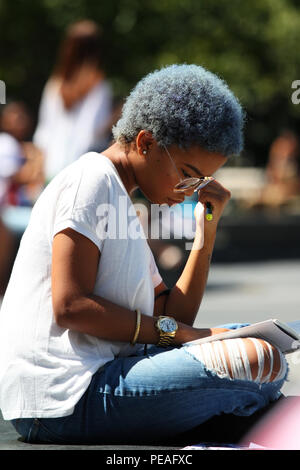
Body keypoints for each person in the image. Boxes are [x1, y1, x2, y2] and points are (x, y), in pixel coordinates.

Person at [0, 64, 289, 445]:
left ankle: (232, 410)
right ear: (145, 143)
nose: (190, 191)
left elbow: (172, 316)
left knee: (260, 351)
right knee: (257, 362)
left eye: (200, 182)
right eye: (188, 174)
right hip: (61, 399)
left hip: (103, 380)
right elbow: (70, 306)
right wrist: (178, 334)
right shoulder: (91, 180)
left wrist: (207, 230)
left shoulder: (122, 198)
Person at [33, 20, 113, 184]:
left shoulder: (55, 84)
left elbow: (44, 131)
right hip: (80, 171)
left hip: (51, 167)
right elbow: (92, 131)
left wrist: (39, 167)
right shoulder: (99, 86)